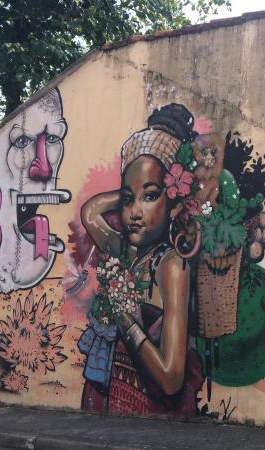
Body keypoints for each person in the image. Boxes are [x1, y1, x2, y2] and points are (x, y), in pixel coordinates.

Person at [78, 104, 203, 417]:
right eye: (127, 199)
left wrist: (123, 317)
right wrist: (134, 190)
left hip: (153, 415)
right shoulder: (127, 251)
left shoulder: (171, 264)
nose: (134, 213)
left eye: (150, 196)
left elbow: (171, 378)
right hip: (110, 407)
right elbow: (90, 212)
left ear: (174, 204)